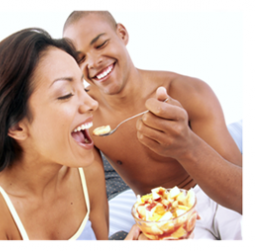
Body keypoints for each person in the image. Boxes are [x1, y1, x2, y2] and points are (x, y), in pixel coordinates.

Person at [62, 11, 243, 239]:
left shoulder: (189, 92)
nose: (94, 62)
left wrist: (186, 145)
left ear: (122, 34)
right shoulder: (85, 117)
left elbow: (243, 194)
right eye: (80, 58)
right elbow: (93, 200)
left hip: (218, 198)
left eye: (101, 44)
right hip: (162, 215)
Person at [0, 28, 145, 240]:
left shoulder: (88, 169)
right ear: (16, 127)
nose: (92, 103)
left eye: (84, 87)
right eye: (66, 94)